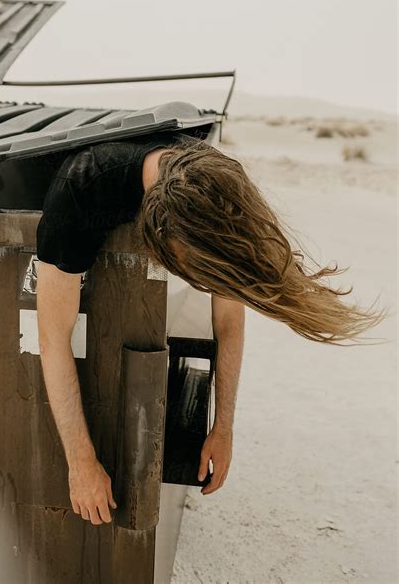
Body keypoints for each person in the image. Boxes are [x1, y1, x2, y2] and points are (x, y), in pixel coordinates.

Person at [36, 126, 387, 528]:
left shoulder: (215, 181)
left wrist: (223, 428)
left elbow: (228, 317)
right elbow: (53, 337)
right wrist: (81, 462)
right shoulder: (80, 190)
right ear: (161, 234)